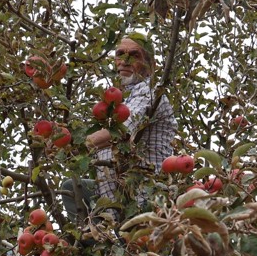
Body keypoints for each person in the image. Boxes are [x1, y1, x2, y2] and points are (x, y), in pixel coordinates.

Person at [61, 33, 178, 225]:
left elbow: (123, 131)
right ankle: (87, 245)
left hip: (143, 199)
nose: (124, 61)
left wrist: (74, 145)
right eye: (120, 54)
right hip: (112, 199)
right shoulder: (120, 102)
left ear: (151, 66)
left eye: (134, 55)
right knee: (72, 189)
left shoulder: (151, 94)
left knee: (132, 243)